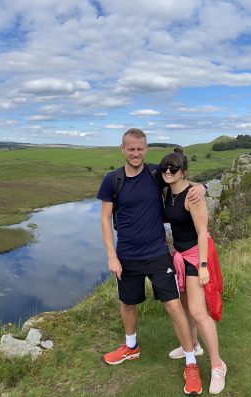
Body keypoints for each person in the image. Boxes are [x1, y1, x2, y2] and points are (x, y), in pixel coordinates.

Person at [98, 128, 207, 396]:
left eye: (140, 148)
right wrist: (112, 256)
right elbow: (104, 219)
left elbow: (180, 174)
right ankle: (131, 347)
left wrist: (200, 187)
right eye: (131, 148)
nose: (136, 153)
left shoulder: (155, 173)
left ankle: (191, 362)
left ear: (145, 150)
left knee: (173, 304)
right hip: (127, 256)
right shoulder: (112, 180)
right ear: (122, 149)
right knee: (128, 303)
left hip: (158, 253)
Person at [161, 148, 227, 394]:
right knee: (187, 307)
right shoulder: (168, 191)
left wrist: (202, 267)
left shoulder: (193, 196)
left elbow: (202, 233)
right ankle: (194, 344)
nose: (168, 171)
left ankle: (218, 365)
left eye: (174, 168)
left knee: (199, 312)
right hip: (179, 255)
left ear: (184, 172)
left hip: (196, 255)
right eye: (165, 167)